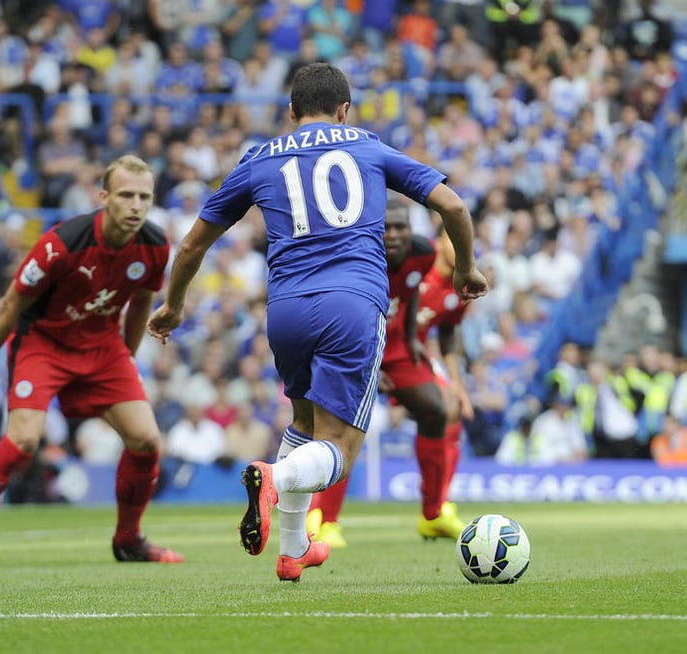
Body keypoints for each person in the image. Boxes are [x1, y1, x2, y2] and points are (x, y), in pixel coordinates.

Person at [148, 63, 487, 582]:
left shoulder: (260, 158)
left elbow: (193, 243)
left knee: (304, 426)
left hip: (284, 310)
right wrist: (465, 268)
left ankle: (294, 549)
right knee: (340, 449)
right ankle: (274, 476)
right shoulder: (369, 147)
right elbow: (454, 207)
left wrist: (173, 304)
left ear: (291, 111)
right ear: (345, 109)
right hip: (352, 303)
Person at [0, 155, 184, 567]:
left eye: (144, 196)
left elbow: (141, 303)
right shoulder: (62, 243)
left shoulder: (155, 245)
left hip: (103, 347)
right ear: (104, 197)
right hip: (44, 343)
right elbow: (10, 307)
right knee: (23, 442)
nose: (136, 205)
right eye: (126, 195)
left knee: (146, 440)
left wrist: (127, 358)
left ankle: (129, 541)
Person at [309, 213, 476, 546]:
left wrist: (414, 338)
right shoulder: (361, 259)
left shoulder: (431, 266)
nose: (394, 234)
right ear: (439, 239)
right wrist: (369, 364)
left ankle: (435, 512)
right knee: (346, 428)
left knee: (442, 409)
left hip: (400, 351)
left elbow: (440, 327)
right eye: (387, 227)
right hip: (358, 350)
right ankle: (322, 519)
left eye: (401, 228)